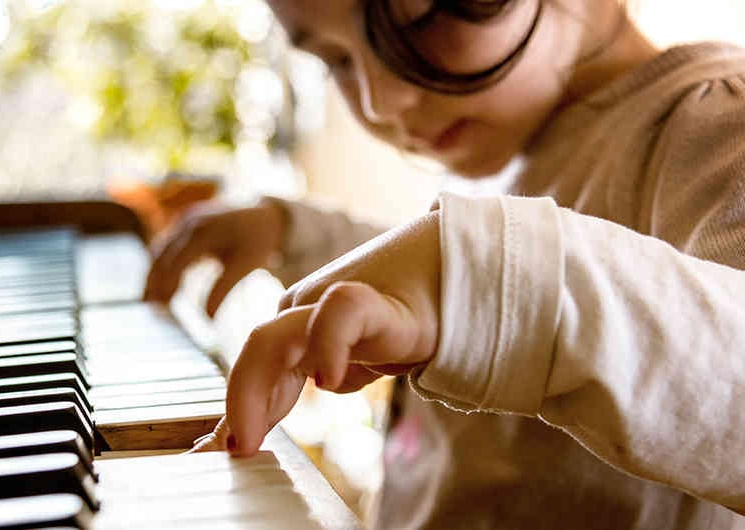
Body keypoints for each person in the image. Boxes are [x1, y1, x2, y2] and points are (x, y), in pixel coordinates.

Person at [144, 0, 745, 528]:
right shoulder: (511, 139)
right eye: (336, 60)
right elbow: (438, 297)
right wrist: (297, 234)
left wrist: (484, 275)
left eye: (419, 18)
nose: (381, 102)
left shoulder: (716, 127)